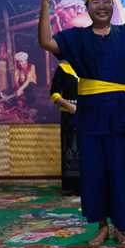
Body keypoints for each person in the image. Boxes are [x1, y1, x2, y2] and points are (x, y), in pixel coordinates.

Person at [38, 0, 125, 246]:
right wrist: (45, 2)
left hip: (121, 114)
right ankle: (102, 226)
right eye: (96, 2)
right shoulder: (76, 37)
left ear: (112, 6)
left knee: (122, 171)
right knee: (94, 173)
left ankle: (121, 227)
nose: (102, 6)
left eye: (106, 1)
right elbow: (46, 41)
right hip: (91, 115)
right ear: (87, 8)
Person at [50, 59, 80, 196]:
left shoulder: (87, 65)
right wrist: (69, 106)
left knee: (87, 148)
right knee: (71, 148)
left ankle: (89, 183)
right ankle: (71, 185)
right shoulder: (62, 68)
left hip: (89, 114)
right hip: (69, 115)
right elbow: (54, 93)